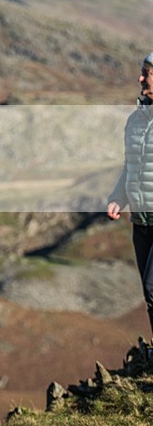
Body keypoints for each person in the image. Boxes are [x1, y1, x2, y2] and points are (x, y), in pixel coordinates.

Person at [108, 51, 153, 335]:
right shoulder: (134, 121)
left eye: (147, 73)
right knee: (150, 295)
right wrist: (118, 198)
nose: (140, 78)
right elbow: (131, 167)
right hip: (141, 221)